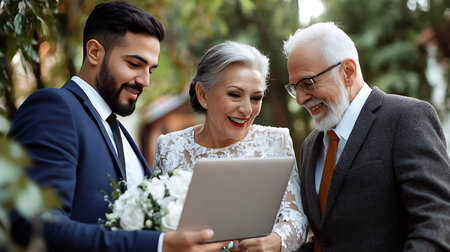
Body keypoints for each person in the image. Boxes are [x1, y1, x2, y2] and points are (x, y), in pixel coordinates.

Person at [8, 1, 228, 251]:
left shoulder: (119, 131)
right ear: (94, 52)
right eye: (134, 64)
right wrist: (158, 245)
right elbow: (34, 225)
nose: (144, 81)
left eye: (150, 70)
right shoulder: (54, 108)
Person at [283, 22, 450, 251]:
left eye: (307, 83)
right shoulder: (311, 145)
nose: (300, 99)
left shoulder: (406, 118)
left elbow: (437, 223)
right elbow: (328, 239)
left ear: (348, 71)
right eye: (295, 87)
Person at [152, 41, 308, 252]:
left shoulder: (277, 141)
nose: (246, 109)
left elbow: (295, 216)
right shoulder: (169, 146)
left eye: (256, 98)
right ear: (203, 94)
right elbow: (155, 223)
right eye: (234, 94)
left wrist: (275, 241)